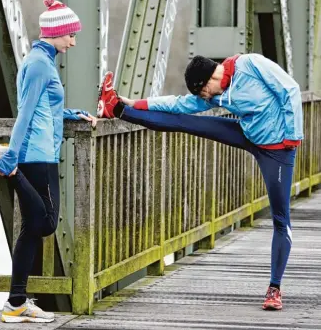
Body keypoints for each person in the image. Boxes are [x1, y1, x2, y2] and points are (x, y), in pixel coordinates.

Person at [97, 53, 303, 311]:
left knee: (280, 219)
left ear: (208, 81)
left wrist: (291, 137)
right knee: (185, 121)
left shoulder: (251, 65)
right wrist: (134, 103)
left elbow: (290, 90)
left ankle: (274, 288)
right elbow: (180, 105)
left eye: (204, 93)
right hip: (247, 133)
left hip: (278, 148)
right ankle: (115, 108)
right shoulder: (215, 91)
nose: (207, 99)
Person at [0, 0, 97, 323]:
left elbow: (44, 108)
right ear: (55, 33)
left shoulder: (40, 60)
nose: (74, 41)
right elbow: (25, 111)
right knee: (45, 222)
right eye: (71, 34)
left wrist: (73, 114)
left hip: (40, 150)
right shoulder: (40, 64)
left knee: (31, 227)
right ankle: (3, 165)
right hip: (37, 154)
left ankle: (15, 303)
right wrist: (11, 154)